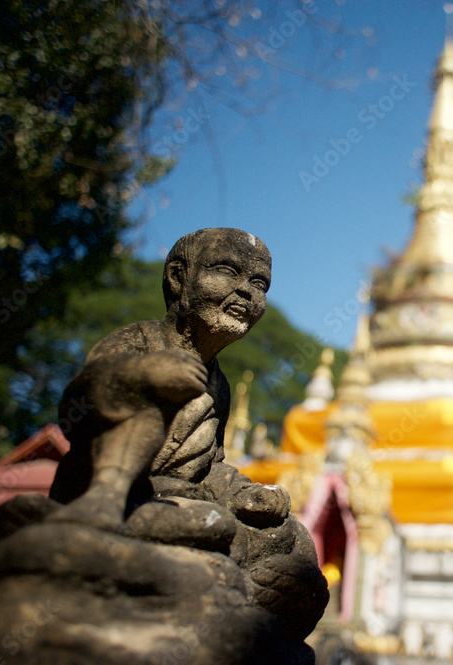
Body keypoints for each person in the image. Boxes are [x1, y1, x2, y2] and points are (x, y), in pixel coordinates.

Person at [49, 228, 327, 642]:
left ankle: (247, 624)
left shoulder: (220, 385)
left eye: (259, 284)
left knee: (296, 544)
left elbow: (208, 463)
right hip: (118, 492)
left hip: (184, 499)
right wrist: (141, 377)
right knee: (209, 526)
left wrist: (241, 492)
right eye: (226, 271)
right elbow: (77, 408)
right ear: (179, 278)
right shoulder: (139, 341)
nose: (246, 293)